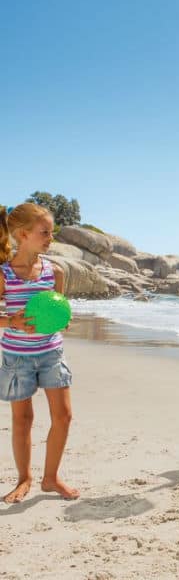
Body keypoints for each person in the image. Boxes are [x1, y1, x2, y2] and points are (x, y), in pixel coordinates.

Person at [0, 203, 78, 502]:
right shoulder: (5, 274)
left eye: (51, 232)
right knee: (23, 420)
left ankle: (51, 478)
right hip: (17, 356)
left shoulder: (54, 271)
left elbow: (58, 311)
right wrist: (12, 321)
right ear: (23, 234)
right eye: (44, 232)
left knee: (64, 416)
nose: (50, 238)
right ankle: (24, 479)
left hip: (51, 353)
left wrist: (63, 321)